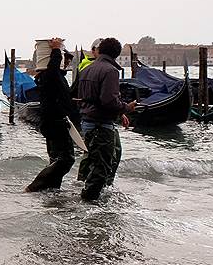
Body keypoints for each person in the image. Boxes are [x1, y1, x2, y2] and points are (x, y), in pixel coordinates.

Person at [75, 37, 135, 201]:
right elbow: (108, 100)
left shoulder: (88, 69)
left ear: (100, 50)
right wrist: (126, 108)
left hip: (87, 122)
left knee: (94, 162)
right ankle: (89, 203)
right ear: (117, 54)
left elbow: (82, 96)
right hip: (101, 124)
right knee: (101, 166)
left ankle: (87, 194)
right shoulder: (110, 71)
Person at [25, 39, 81, 192]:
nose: (67, 62)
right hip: (55, 123)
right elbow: (53, 70)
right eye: (65, 58)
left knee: (56, 159)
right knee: (66, 159)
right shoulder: (49, 75)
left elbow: (58, 92)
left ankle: (51, 191)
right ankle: (33, 188)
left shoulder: (54, 77)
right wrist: (56, 50)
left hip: (53, 123)